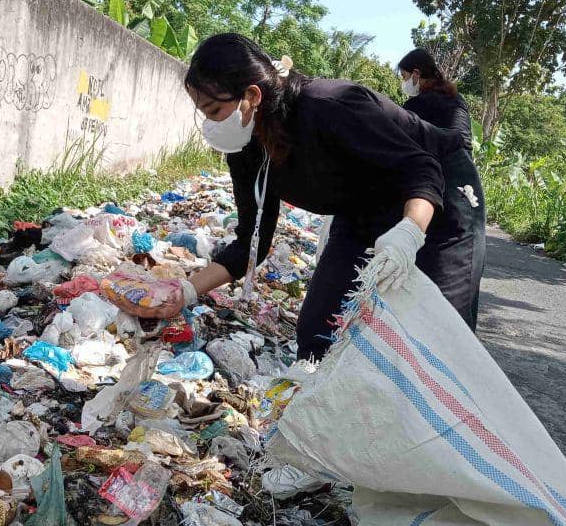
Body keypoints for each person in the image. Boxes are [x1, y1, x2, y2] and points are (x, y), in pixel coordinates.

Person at [142, 33, 484, 357]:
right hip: (363, 205)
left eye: (214, 111)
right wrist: (184, 293)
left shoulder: (330, 104)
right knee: (320, 333)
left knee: (435, 338)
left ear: (251, 96)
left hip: (440, 195)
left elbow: (420, 168)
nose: (211, 125)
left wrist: (409, 233)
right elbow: (251, 243)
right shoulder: (244, 147)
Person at [397, 47, 486, 326]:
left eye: (403, 76)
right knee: (457, 288)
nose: (403, 83)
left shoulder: (419, 106)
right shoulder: (455, 100)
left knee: (441, 292)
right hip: (466, 195)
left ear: (416, 74)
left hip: (448, 197)